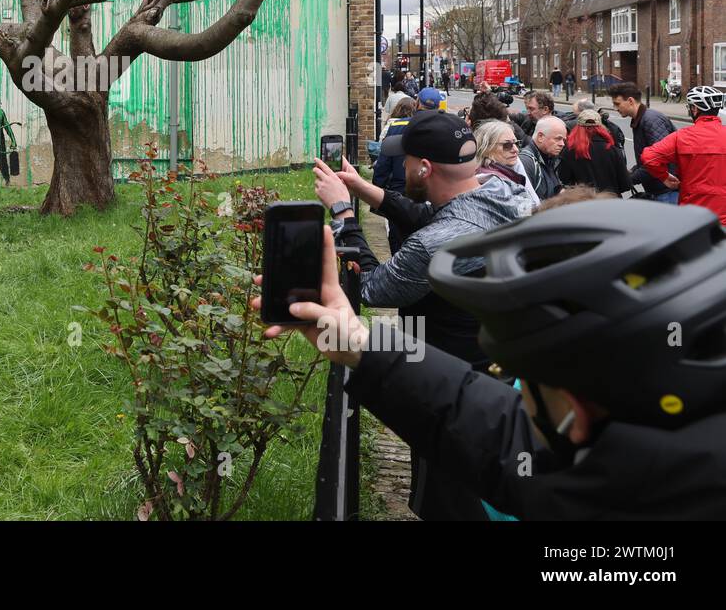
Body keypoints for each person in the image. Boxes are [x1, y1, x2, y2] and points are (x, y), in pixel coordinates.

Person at [258, 199, 726, 518]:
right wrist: (358, 342)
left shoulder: (615, 485)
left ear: (577, 412)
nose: (519, 401)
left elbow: (511, 445)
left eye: (526, 386)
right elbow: (497, 431)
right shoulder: (655, 464)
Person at [312, 112, 530, 520]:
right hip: (496, 377)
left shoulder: (435, 246)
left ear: (424, 168)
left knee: (450, 500)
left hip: (449, 388)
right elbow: (434, 217)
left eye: (408, 159)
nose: (404, 166)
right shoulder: (502, 192)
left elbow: (375, 287)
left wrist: (343, 214)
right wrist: (366, 191)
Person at [641, 85, 726, 226]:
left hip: (693, 217)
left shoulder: (681, 137)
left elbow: (649, 157)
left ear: (695, 109)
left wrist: (664, 177)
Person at [610, 81, 679, 203]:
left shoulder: (651, 120)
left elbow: (658, 161)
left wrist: (627, 180)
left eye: (617, 104)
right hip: (659, 190)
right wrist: (631, 171)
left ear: (630, 101)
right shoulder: (640, 120)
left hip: (666, 192)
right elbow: (647, 161)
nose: (615, 108)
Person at [371, 97, 414, 253]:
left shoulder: (394, 126)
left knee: (397, 235)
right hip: (423, 193)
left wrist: (377, 190)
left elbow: (383, 163)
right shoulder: (431, 127)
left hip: (398, 189)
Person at [557, 109, 631, 196]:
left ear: (577, 128)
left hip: (582, 202)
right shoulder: (613, 150)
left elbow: (564, 179)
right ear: (601, 127)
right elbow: (625, 185)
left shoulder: (569, 151)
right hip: (611, 203)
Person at [473, 120, 539, 211]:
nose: (516, 149)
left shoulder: (504, 172)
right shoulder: (492, 184)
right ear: (487, 148)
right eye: (507, 145)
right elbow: (525, 213)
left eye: (516, 143)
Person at [519, 115, 566, 201]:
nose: (562, 144)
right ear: (540, 137)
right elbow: (525, 204)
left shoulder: (549, 157)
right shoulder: (526, 162)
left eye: (563, 140)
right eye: (558, 139)